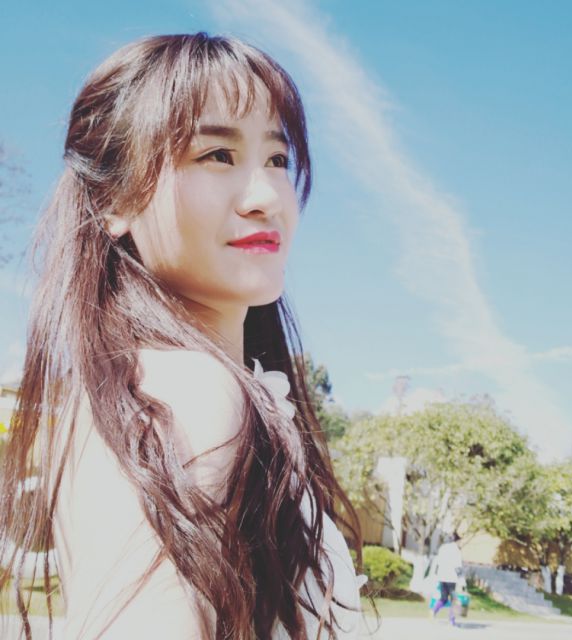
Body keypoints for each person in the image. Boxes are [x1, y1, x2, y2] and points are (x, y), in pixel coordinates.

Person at [0, 33, 365, 639]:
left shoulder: (134, 391)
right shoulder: (183, 395)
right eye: (217, 155)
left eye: (277, 159)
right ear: (114, 198)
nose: (265, 197)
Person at [431, 532, 464, 626]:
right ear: (457, 540)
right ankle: (452, 620)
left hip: (442, 577)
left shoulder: (442, 548)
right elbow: (458, 566)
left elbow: (437, 562)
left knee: (444, 598)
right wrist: (462, 580)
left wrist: (436, 575)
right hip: (452, 578)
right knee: (454, 600)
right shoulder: (456, 550)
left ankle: (433, 612)